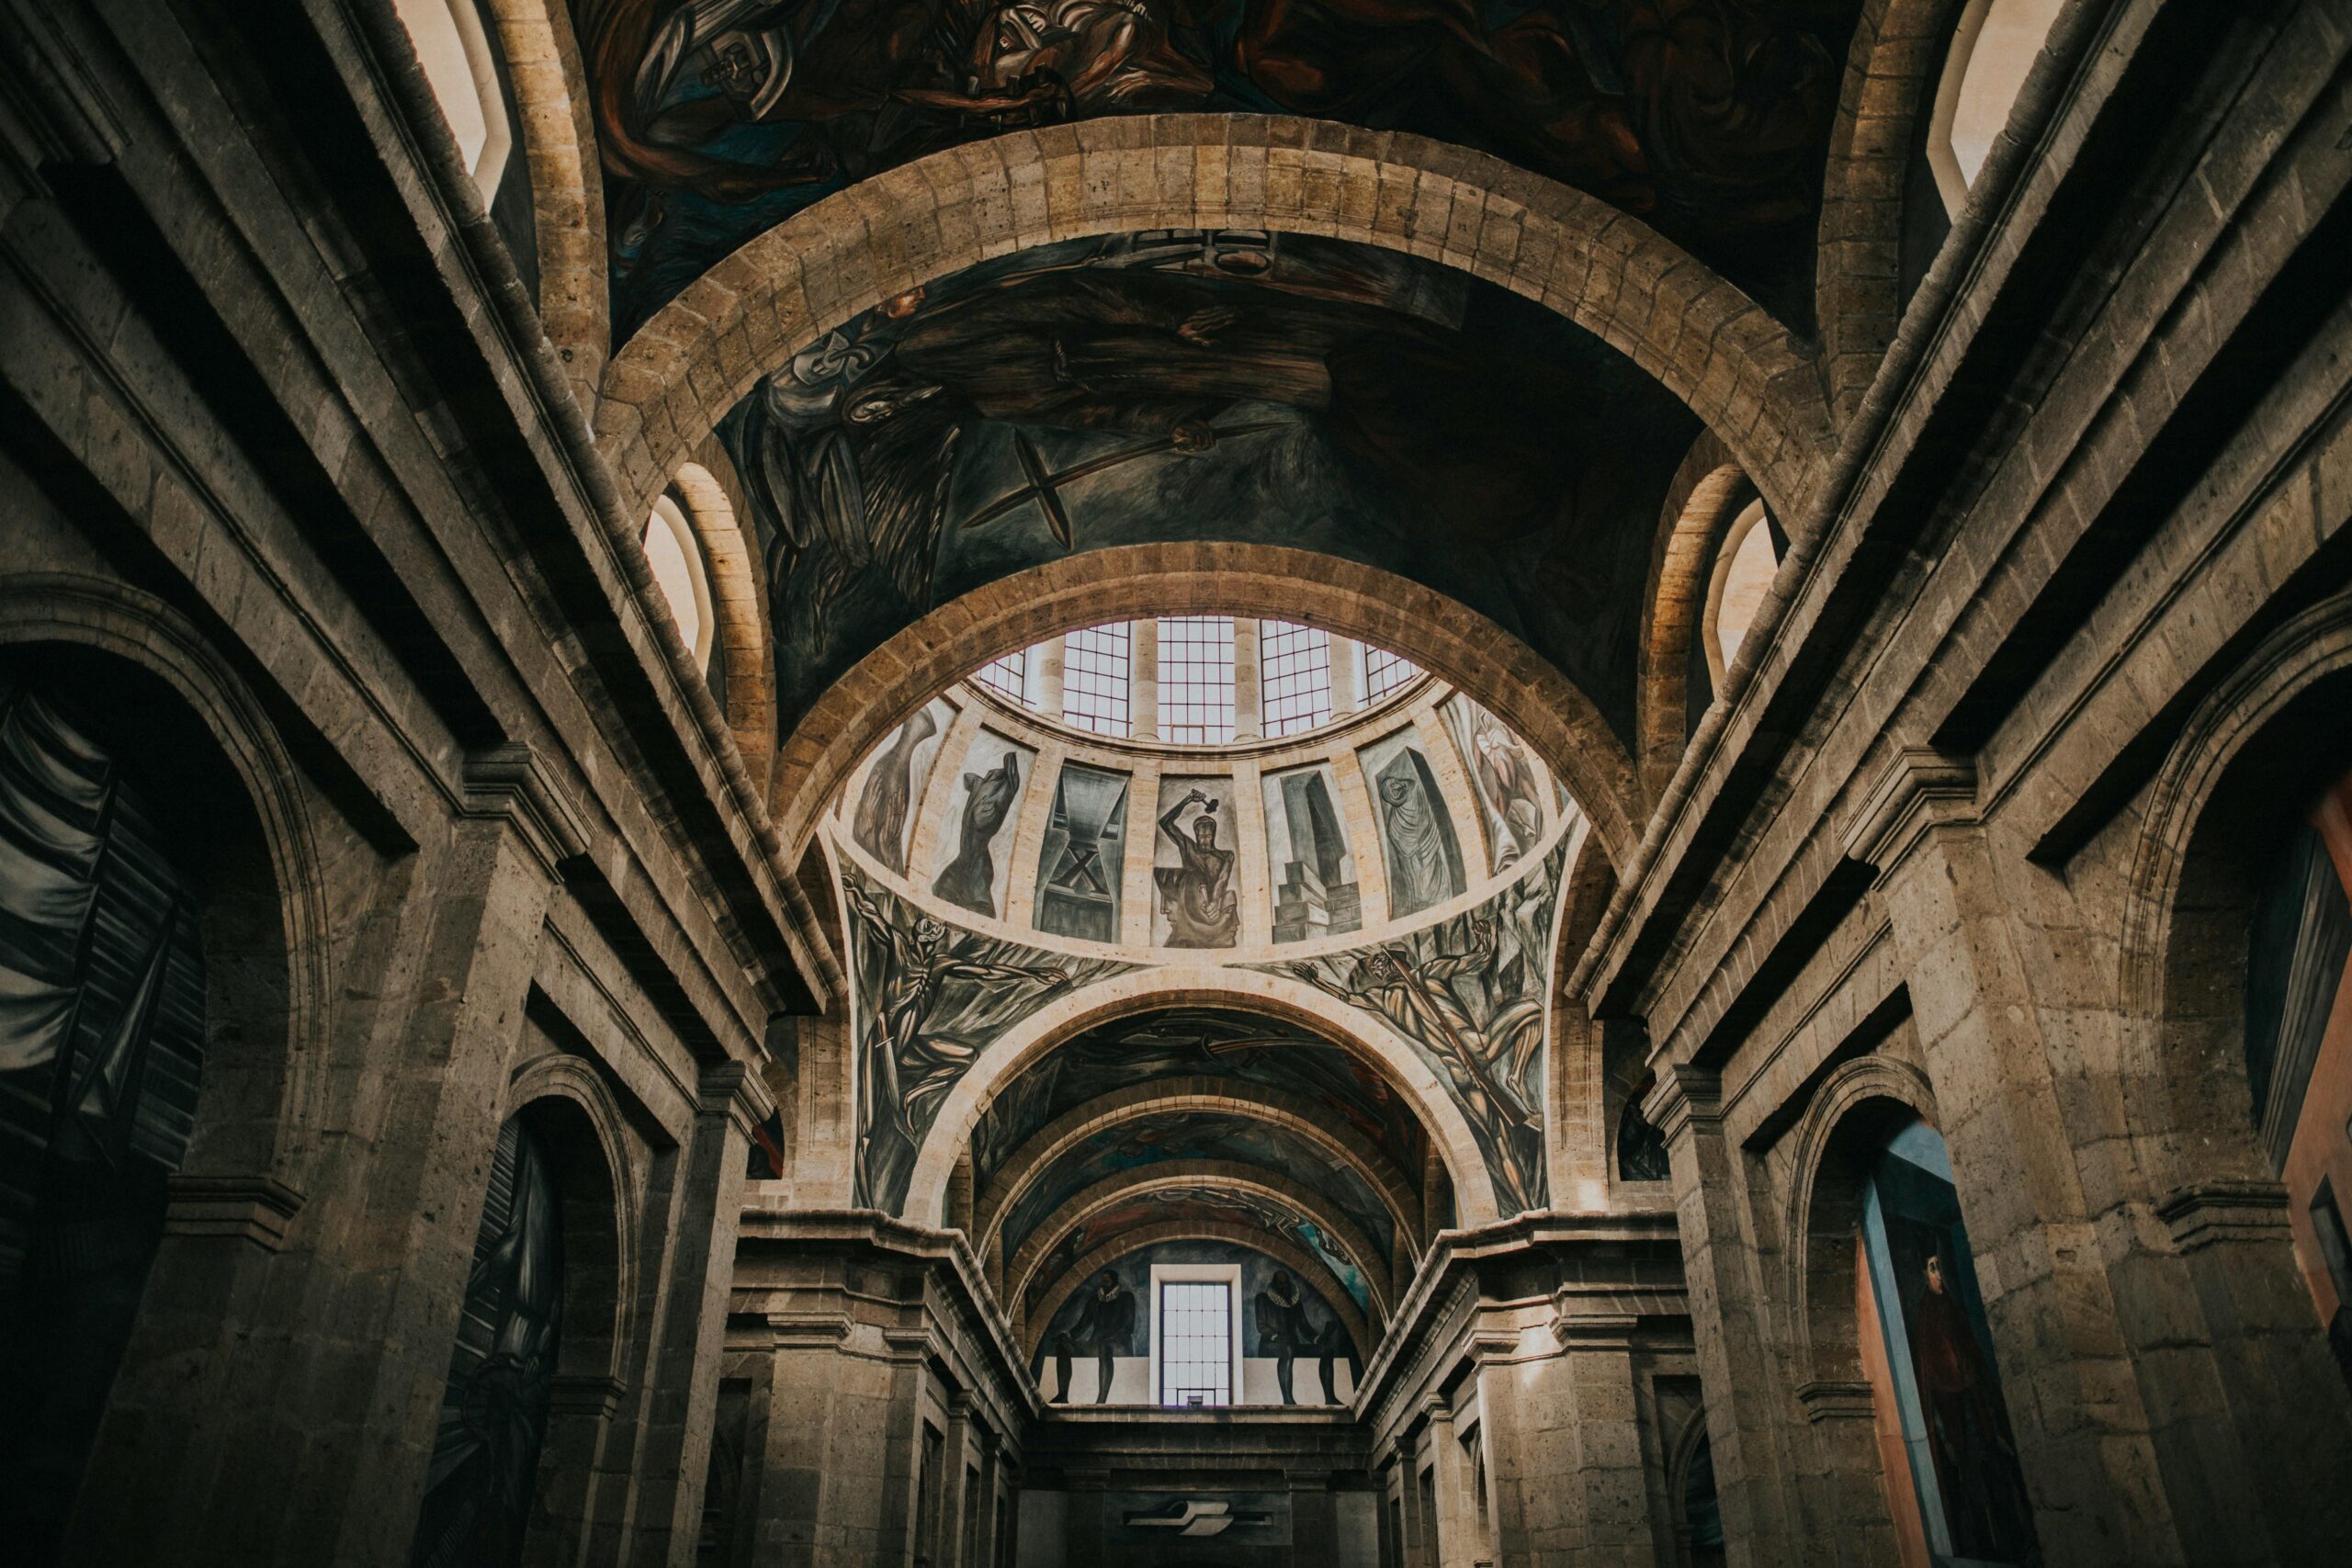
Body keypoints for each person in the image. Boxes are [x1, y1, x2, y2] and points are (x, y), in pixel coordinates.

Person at [1906, 1249, 2035, 1560]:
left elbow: (1971, 1355)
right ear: (1925, 1275)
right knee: (1973, 1490)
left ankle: (2014, 1541)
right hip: (1955, 1417)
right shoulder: (1926, 1317)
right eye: (1932, 1268)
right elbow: (1930, 1375)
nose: (1938, 1275)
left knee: (1997, 1477)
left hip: (1976, 1410)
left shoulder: (1951, 1308)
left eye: (1940, 1268)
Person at [933, 751, 1023, 915]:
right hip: (962, 861)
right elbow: (968, 778)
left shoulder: (995, 801)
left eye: (991, 804)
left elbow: (1012, 777)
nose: (987, 806)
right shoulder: (978, 786)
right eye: (985, 802)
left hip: (975, 862)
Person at [1253, 1269, 1358, 1404]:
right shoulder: (1263, 1299)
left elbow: (1305, 1328)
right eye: (1281, 1283)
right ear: (1274, 1285)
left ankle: (1330, 1398)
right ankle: (1288, 1400)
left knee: (1327, 1349)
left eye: (1286, 1283)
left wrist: (1319, 1338)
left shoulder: (1294, 1304)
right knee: (1287, 1349)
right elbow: (1261, 1326)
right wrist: (1276, 1336)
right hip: (1270, 1345)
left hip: (1292, 1345)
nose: (1284, 1286)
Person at [1154, 787, 1239, 946]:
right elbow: (1165, 823)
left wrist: (1215, 901)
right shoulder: (1189, 848)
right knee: (1193, 876)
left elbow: (1222, 880)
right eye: (1201, 837)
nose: (1204, 841)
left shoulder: (1225, 856)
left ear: (1213, 836)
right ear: (1196, 835)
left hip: (1213, 904)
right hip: (1190, 902)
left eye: (1208, 836)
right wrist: (1187, 800)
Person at [1040, 1269, 1136, 1403]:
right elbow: (1082, 1325)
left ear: (1115, 1281)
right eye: (1103, 1280)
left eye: (1107, 1280)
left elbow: (1128, 1326)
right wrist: (1067, 1335)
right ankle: (1062, 1395)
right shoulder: (1095, 1301)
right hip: (1096, 1344)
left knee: (1104, 1346)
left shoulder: (1126, 1297)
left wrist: (1109, 1338)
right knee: (1064, 1345)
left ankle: (1101, 1399)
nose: (1104, 1283)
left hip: (1119, 1345)